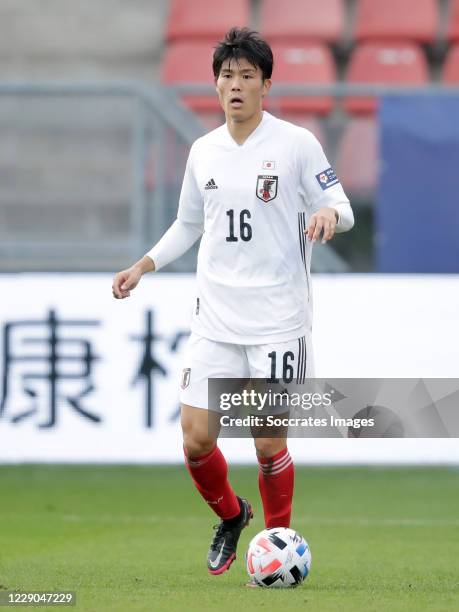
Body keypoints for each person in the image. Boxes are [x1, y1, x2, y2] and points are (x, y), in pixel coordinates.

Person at [112, 27, 354, 577]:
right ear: (216, 86)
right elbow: (188, 224)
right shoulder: (204, 152)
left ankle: (277, 543)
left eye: (248, 76)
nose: (236, 85)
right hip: (216, 321)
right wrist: (142, 265)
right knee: (196, 440)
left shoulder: (296, 144)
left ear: (267, 85)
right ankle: (232, 514)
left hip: (277, 321)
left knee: (268, 442)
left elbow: (342, 205)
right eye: (227, 76)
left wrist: (327, 215)